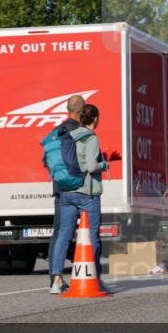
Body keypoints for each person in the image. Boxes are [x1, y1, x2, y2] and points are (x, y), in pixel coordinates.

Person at [48, 104, 110, 294]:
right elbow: (91, 166)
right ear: (95, 119)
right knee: (93, 237)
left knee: (63, 236)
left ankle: (56, 281)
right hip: (86, 194)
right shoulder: (91, 138)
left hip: (66, 192)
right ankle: (96, 280)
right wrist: (104, 164)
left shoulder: (69, 136)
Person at [46, 95, 86, 288]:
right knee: (90, 231)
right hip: (80, 188)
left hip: (60, 187)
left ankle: (55, 278)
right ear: (82, 111)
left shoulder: (55, 131)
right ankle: (93, 277)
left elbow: (46, 160)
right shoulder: (81, 131)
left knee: (59, 233)